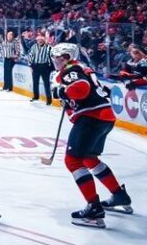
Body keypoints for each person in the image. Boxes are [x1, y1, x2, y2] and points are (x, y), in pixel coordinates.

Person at [50, 43, 133, 227]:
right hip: (104, 117)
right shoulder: (81, 68)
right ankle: (119, 195)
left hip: (91, 117)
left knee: (72, 161)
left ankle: (94, 208)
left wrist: (62, 90)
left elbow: (81, 88)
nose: (54, 60)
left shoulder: (70, 70)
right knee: (89, 159)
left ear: (65, 57)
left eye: (56, 57)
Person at [27, 35, 53, 104]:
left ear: (44, 40)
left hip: (45, 67)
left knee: (46, 84)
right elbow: (30, 56)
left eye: (41, 40)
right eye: (38, 40)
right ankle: (36, 96)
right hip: (36, 66)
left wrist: (50, 68)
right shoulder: (34, 46)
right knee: (35, 82)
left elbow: (51, 58)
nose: (40, 41)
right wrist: (30, 66)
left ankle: (49, 99)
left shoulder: (48, 47)